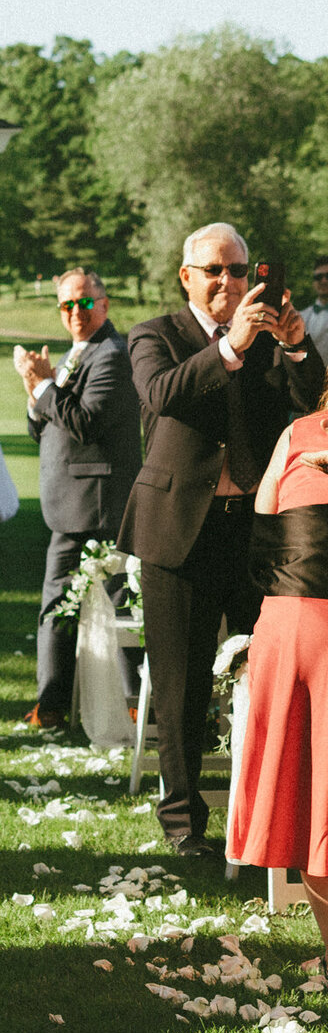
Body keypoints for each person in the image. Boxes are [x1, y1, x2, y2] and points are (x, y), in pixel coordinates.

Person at [119, 223, 325, 856]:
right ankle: (184, 827)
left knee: (269, 676)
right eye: (214, 270)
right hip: (179, 531)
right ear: (186, 276)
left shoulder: (265, 339)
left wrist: (293, 345)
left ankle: (269, 814)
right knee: (180, 687)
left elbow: (312, 398)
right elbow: (162, 395)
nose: (229, 282)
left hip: (257, 535)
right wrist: (231, 346)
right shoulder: (155, 335)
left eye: (239, 271)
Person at [14, 268, 140, 728]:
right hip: (71, 505)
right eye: (67, 304)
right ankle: (51, 709)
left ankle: (139, 707)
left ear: (104, 305)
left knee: (126, 606)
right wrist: (36, 394)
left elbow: (86, 422)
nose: (75, 313)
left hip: (101, 502)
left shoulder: (112, 355)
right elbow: (43, 425)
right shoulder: (74, 355)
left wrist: (45, 386)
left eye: (84, 303)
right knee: (58, 607)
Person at [228, 391, 328, 961]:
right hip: (291, 628)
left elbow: (262, 537)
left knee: (316, 808)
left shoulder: (297, 437)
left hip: (287, 627)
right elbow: (265, 536)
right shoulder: (295, 436)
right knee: (315, 808)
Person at [297, 256, 328, 367]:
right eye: (319, 277)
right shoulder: (301, 318)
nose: (324, 280)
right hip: (311, 381)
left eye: (327, 276)